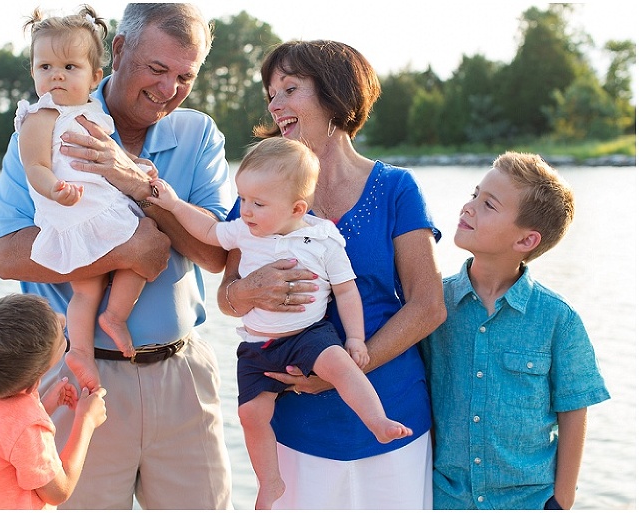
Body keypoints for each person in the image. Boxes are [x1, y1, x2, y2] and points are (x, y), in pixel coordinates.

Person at [0, 3, 233, 509]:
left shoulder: (199, 134)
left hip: (182, 377)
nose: (169, 89)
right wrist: (124, 251)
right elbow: (8, 257)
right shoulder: (43, 126)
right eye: (157, 69)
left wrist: (137, 185)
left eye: (185, 76)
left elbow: (215, 256)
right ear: (119, 51)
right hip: (77, 381)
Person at [220, 40, 446, 509]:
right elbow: (227, 299)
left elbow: (428, 306)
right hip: (295, 424)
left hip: (392, 417)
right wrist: (246, 289)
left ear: (334, 95)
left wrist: (343, 368)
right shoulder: (259, 193)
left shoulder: (395, 188)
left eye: (289, 88)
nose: (274, 104)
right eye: (270, 93)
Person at [149, 137, 413, 509]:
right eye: (242, 199)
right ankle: (269, 481)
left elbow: (347, 291)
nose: (246, 210)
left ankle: (377, 420)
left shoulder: (322, 240)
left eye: (258, 203)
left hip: (308, 335)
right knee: (250, 413)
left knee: (341, 365)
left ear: (297, 207)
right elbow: (208, 233)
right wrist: (174, 204)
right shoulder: (243, 229)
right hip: (257, 346)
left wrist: (355, 339)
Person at [419, 152, 610, 510]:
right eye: (475, 193)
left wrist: (562, 499)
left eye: (488, 204)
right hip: (444, 498)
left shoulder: (558, 319)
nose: (468, 206)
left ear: (525, 241)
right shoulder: (433, 304)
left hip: (528, 500)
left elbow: (574, 410)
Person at [17, 5, 154, 394]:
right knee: (85, 289)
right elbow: (36, 166)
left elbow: (111, 153)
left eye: (69, 67)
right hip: (73, 213)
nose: (56, 75)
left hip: (107, 208)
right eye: (45, 67)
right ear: (33, 73)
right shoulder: (39, 117)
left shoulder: (93, 112)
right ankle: (80, 350)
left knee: (143, 248)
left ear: (95, 77)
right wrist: (54, 189)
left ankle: (114, 316)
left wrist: (136, 165)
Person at [0, 294, 108, 509]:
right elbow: (59, 491)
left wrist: (44, 406)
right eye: (62, 335)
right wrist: (86, 421)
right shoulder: (25, 421)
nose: (62, 319)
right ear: (34, 381)